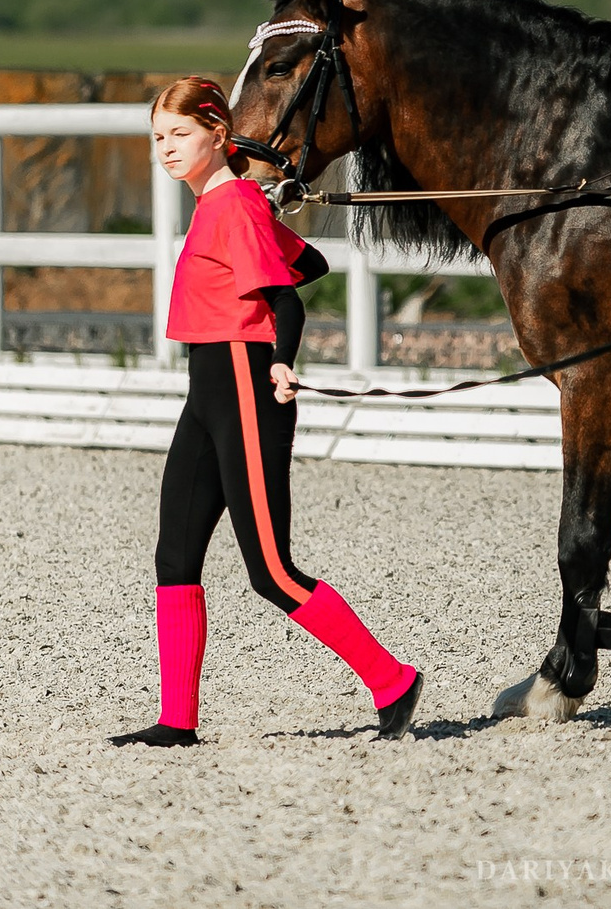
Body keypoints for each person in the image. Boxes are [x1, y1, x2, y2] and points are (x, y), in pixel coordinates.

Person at [111, 77, 423, 747]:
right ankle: (176, 720)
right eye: (158, 136)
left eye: (180, 134)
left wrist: (281, 360)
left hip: (247, 382)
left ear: (218, 134)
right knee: (175, 553)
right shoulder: (230, 204)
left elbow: (289, 299)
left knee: (272, 571)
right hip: (208, 385)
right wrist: (265, 217)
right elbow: (306, 261)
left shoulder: (231, 207)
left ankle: (392, 678)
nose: (165, 147)